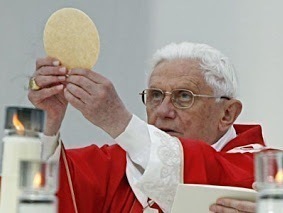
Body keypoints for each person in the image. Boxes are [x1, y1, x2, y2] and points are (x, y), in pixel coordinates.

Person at [28, 42, 264, 213]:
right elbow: (50, 194)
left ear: (226, 114)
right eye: (155, 95)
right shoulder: (117, 165)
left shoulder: (263, 172)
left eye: (184, 96)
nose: (163, 110)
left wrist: (118, 121)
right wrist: (48, 120)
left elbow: (205, 172)